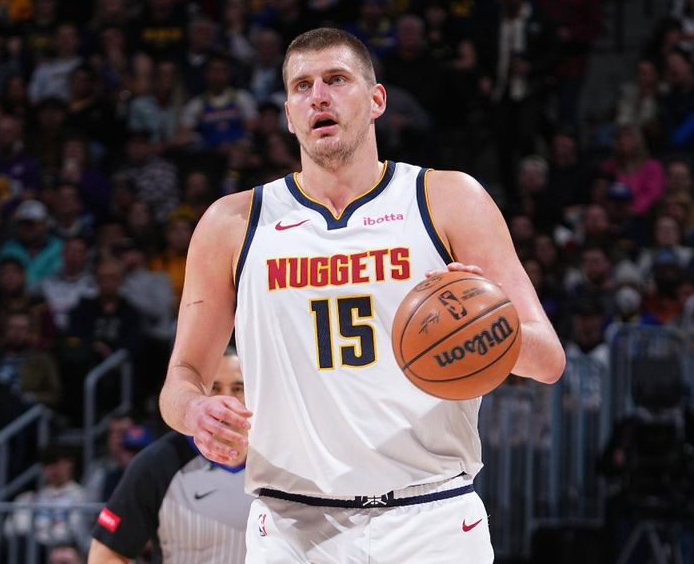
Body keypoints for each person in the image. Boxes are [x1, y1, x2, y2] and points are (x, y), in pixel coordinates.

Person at [159, 28, 565, 563]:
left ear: (376, 100)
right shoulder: (232, 223)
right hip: (291, 525)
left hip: (431, 515)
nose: (319, 96)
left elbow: (549, 360)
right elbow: (180, 379)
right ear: (288, 114)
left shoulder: (446, 199)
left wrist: (486, 321)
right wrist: (197, 412)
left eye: (336, 80)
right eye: (302, 86)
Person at [89, 350, 252, 563]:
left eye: (238, 388)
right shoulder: (158, 463)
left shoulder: (282, 460)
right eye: (214, 388)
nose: (227, 399)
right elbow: (106, 552)